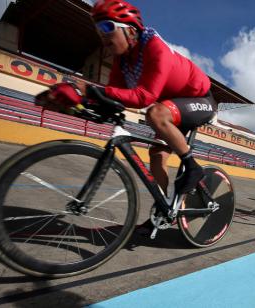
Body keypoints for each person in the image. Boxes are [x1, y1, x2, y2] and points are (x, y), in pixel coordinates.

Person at [37, 0, 217, 234]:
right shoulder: (121, 62)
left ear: (130, 30)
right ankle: (162, 212)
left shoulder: (155, 47)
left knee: (155, 113)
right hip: (174, 108)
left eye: (107, 28)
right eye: (98, 29)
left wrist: (88, 88)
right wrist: (78, 102)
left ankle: (193, 167)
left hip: (201, 100)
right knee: (157, 157)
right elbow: (113, 97)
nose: (102, 36)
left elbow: (144, 97)